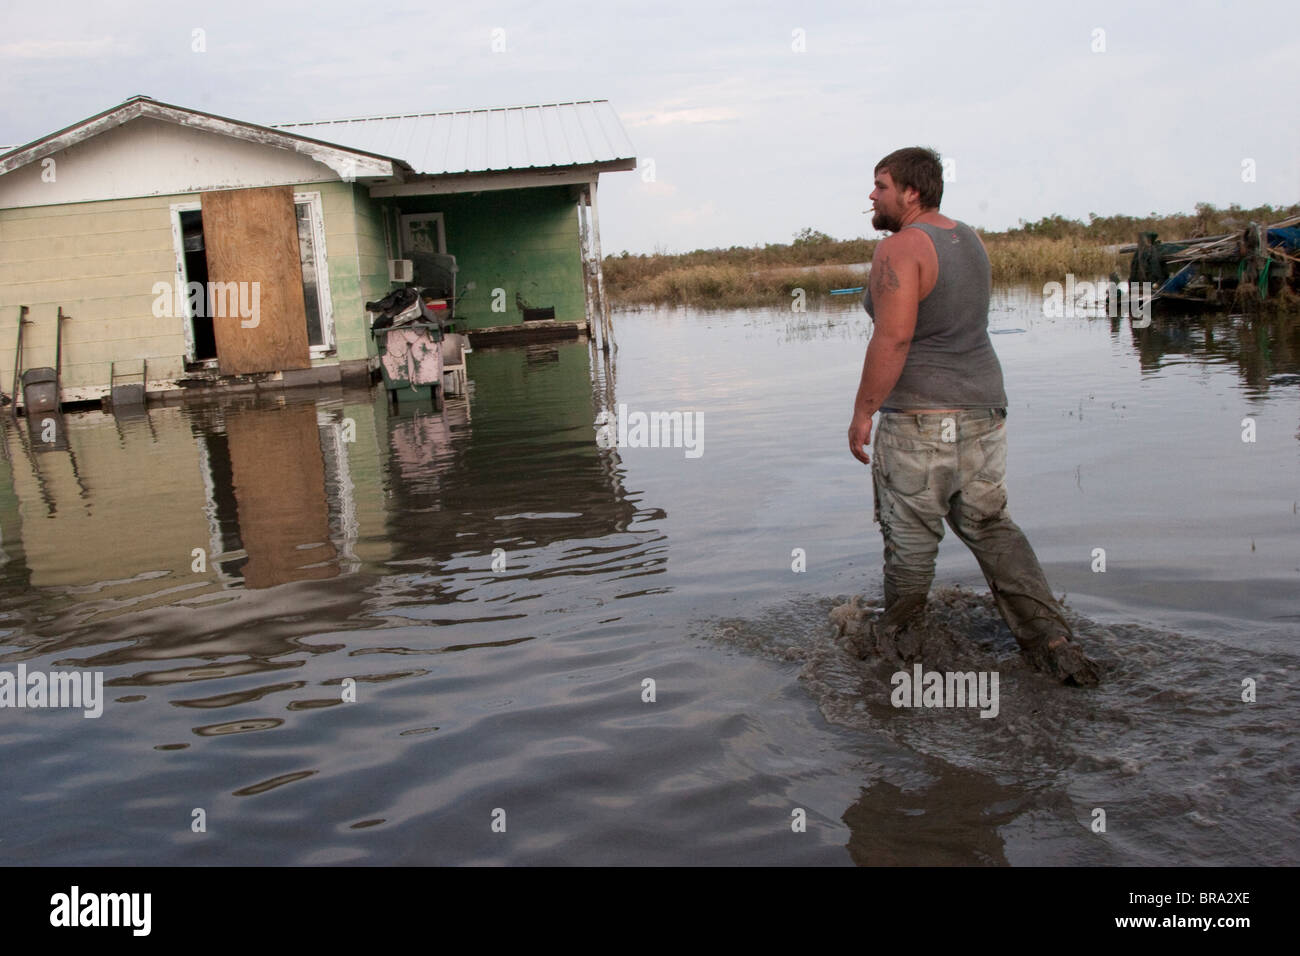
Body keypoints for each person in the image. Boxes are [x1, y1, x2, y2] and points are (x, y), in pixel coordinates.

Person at [847, 146, 1099, 686]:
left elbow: (893, 337)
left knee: (911, 541)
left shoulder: (898, 249)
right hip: (985, 412)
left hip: (919, 421)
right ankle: (1053, 643)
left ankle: (904, 652)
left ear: (911, 191)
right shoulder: (970, 239)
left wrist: (863, 411)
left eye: (881, 185)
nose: (872, 195)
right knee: (991, 528)